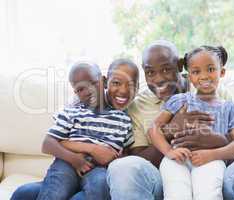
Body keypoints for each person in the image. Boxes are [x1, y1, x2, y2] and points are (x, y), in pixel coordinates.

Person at [106, 40, 234, 200]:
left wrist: (214, 143)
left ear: (181, 66)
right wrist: (171, 131)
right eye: (150, 72)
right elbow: (140, 159)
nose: (158, 79)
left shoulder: (219, 94)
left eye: (166, 69)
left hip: (215, 169)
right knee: (123, 167)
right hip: (166, 175)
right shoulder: (140, 105)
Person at [11, 58, 139, 200]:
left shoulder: (123, 118)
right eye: (80, 89)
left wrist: (117, 158)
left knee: (101, 184)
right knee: (51, 190)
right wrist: (75, 160)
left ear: (103, 81)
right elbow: (47, 144)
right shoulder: (73, 112)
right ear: (75, 92)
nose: (88, 91)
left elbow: (125, 152)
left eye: (92, 83)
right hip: (69, 163)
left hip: (99, 170)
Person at [149, 45, 234, 200]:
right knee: (176, 194)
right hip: (177, 159)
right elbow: (154, 128)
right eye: (196, 72)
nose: (204, 76)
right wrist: (169, 151)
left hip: (211, 159)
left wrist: (212, 154)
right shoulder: (179, 100)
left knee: (208, 194)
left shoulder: (230, 108)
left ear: (222, 72)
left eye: (210, 69)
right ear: (189, 76)